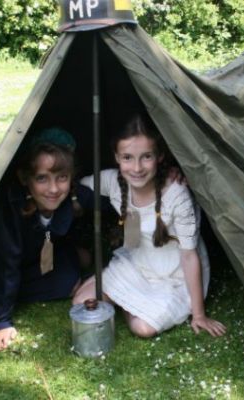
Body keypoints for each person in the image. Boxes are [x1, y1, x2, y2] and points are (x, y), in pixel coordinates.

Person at [74, 114, 226, 338]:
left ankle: (126, 301)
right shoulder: (112, 180)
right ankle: (119, 289)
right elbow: (76, 186)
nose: (137, 168)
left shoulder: (177, 194)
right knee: (80, 302)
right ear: (116, 157)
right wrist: (74, 203)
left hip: (175, 275)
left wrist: (199, 314)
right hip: (138, 261)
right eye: (127, 157)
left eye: (146, 157)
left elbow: (189, 256)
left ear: (159, 156)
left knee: (143, 328)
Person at [0, 128, 92, 351]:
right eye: (42, 178)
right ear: (25, 178)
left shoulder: (74, 194)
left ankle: (70, 262)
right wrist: (0, 321)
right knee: (70, 283)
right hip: (13, 267)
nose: (53, 189)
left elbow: (108, 200)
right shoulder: (12, 211)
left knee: (80, 265)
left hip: (46, 258)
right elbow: (6, 266)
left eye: (61, 177)